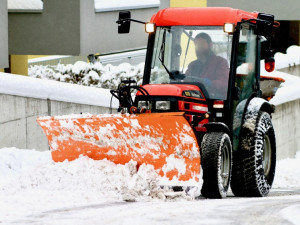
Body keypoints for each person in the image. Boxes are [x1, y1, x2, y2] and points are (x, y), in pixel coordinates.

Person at [185, 32, 229, 99]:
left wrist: (210, 83)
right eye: (197, 44)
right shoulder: (192, 65)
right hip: (195, 98)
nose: (199, 47)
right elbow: (186, 81)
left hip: (213, 100)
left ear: (210, 45)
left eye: (202, 44)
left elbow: (224, 84)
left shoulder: (220, 62)